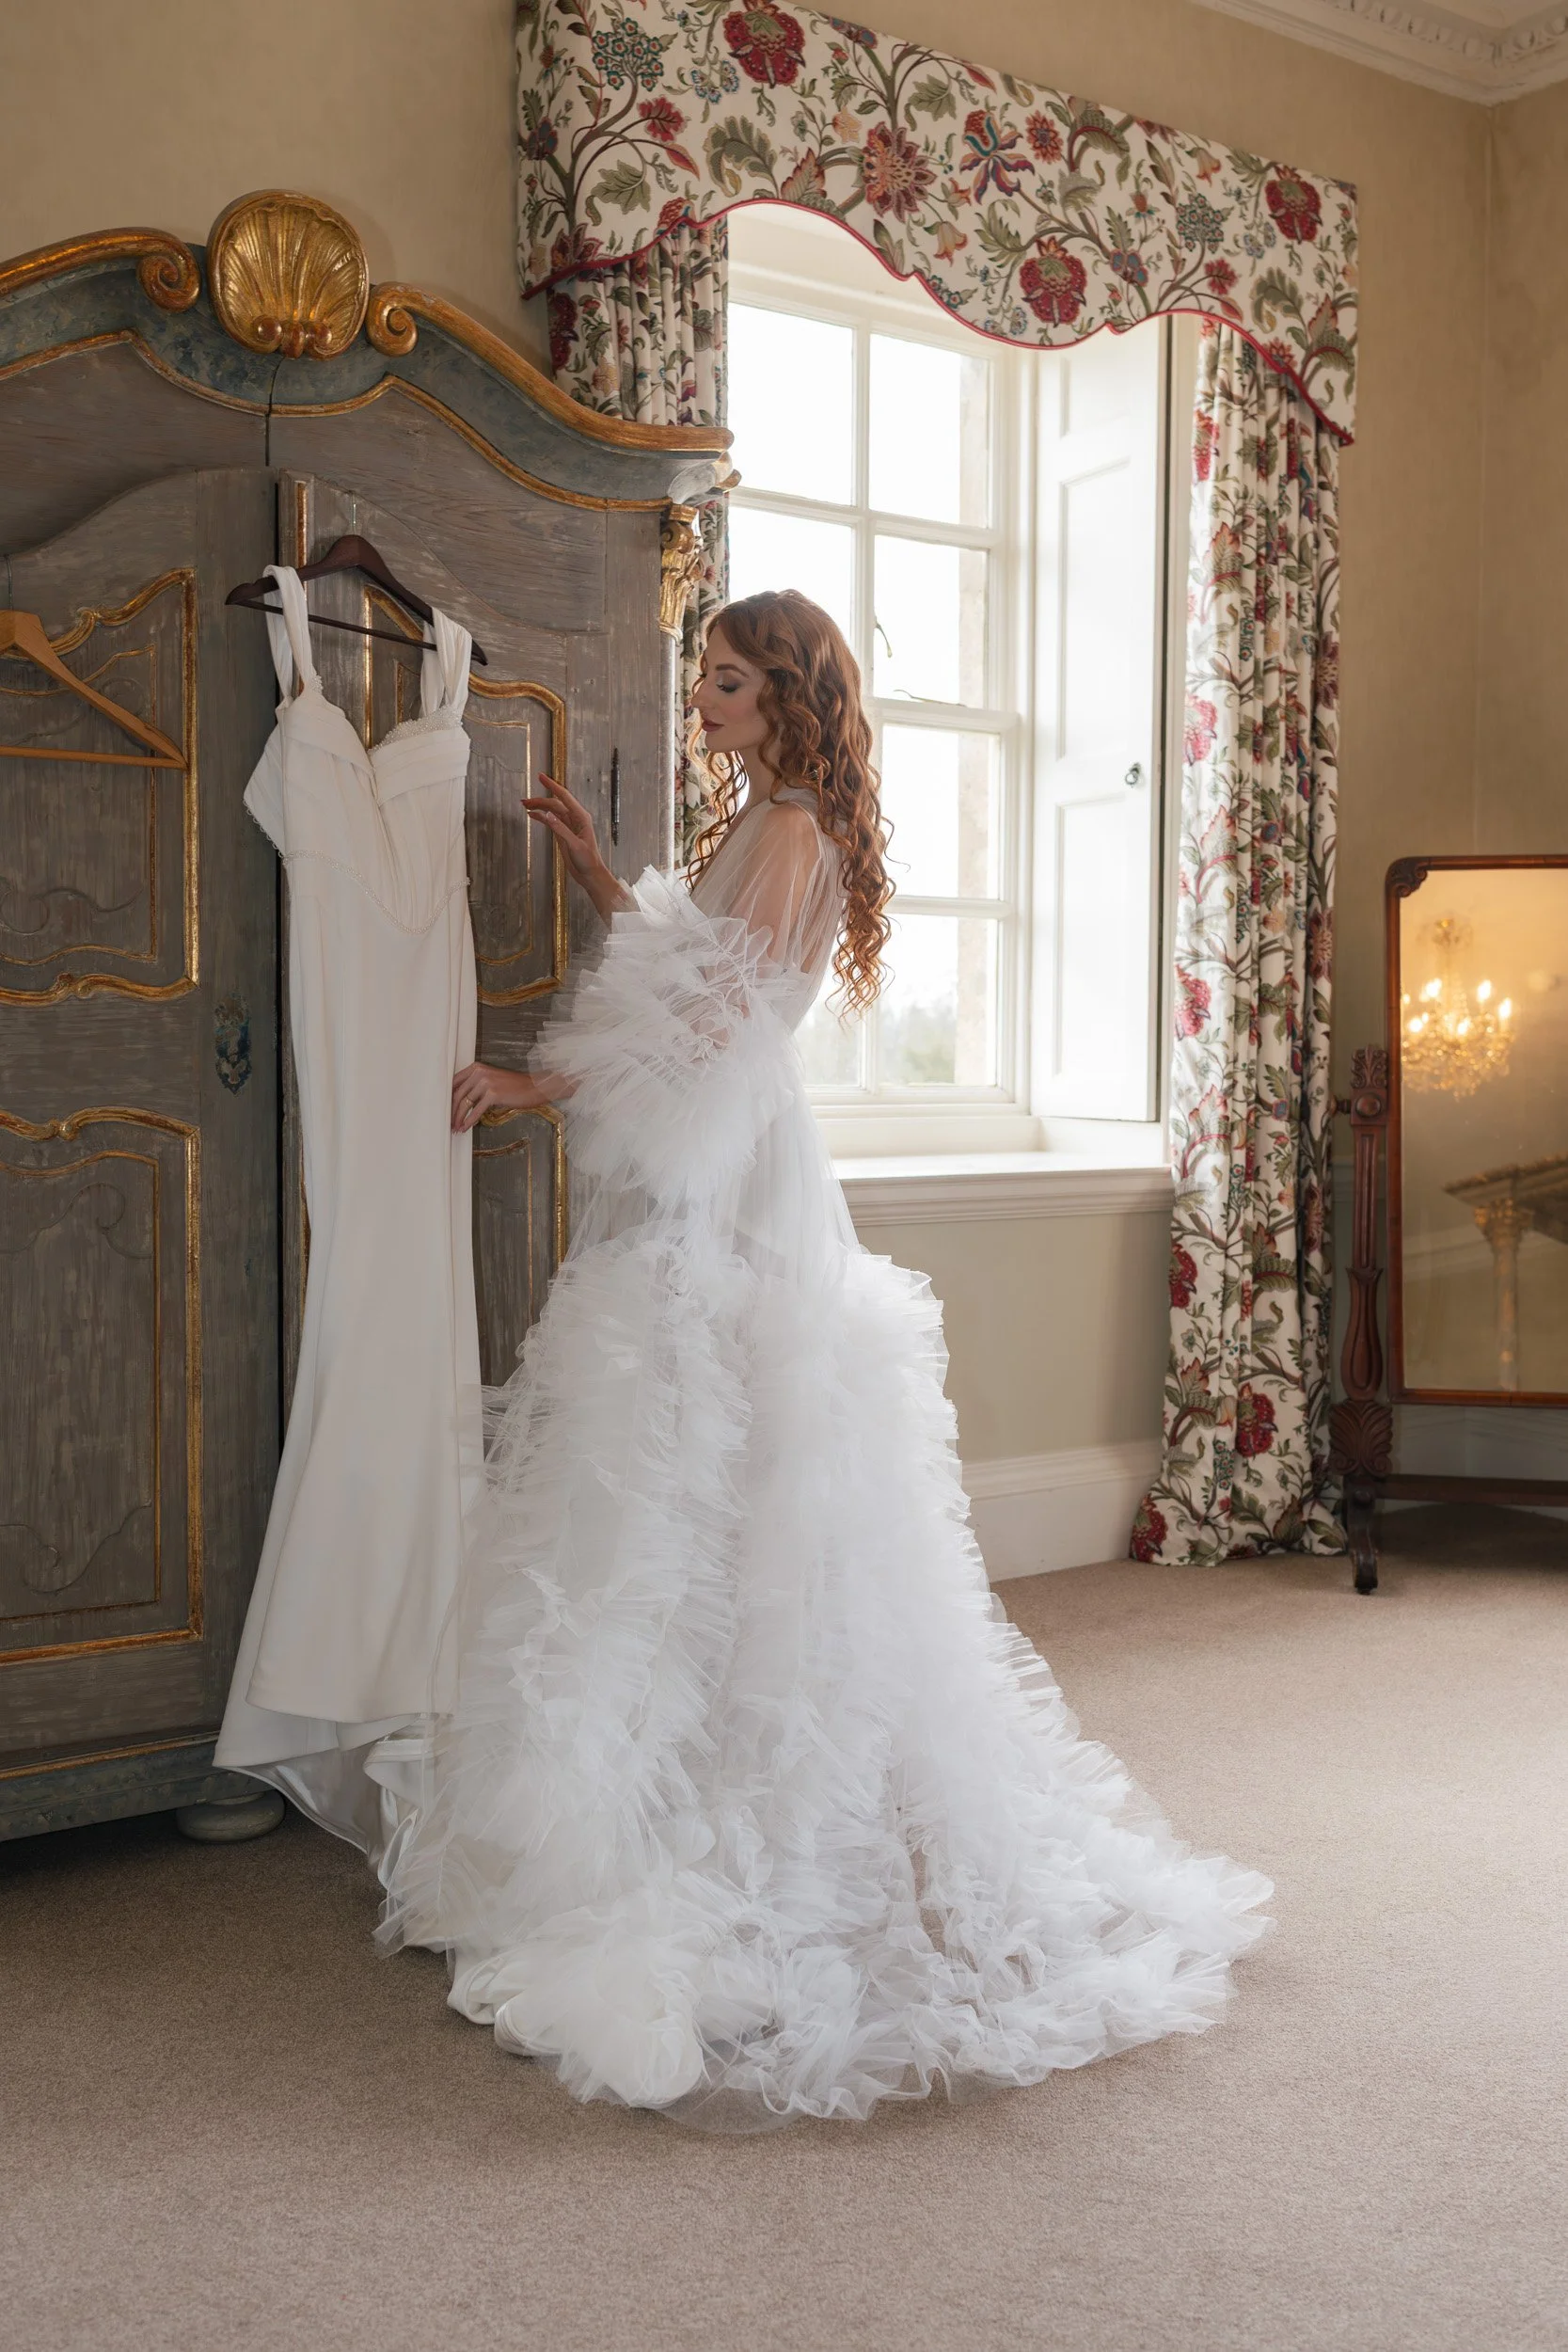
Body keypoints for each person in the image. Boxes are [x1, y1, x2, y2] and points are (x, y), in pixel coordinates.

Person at [380, 589, 1270, 2129]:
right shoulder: (770, 827)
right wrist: (606, 877)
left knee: (700, 1461)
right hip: (724, 1164)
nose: (704, 699)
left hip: (721, 1175)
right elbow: (704, 983)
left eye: (725, 682)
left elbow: (709, 1038)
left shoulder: (786, 833)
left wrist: (531, 1083)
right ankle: (657, 1787)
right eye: (704, 677)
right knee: (692, 1471)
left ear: (785, 696)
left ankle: (716, 1831)